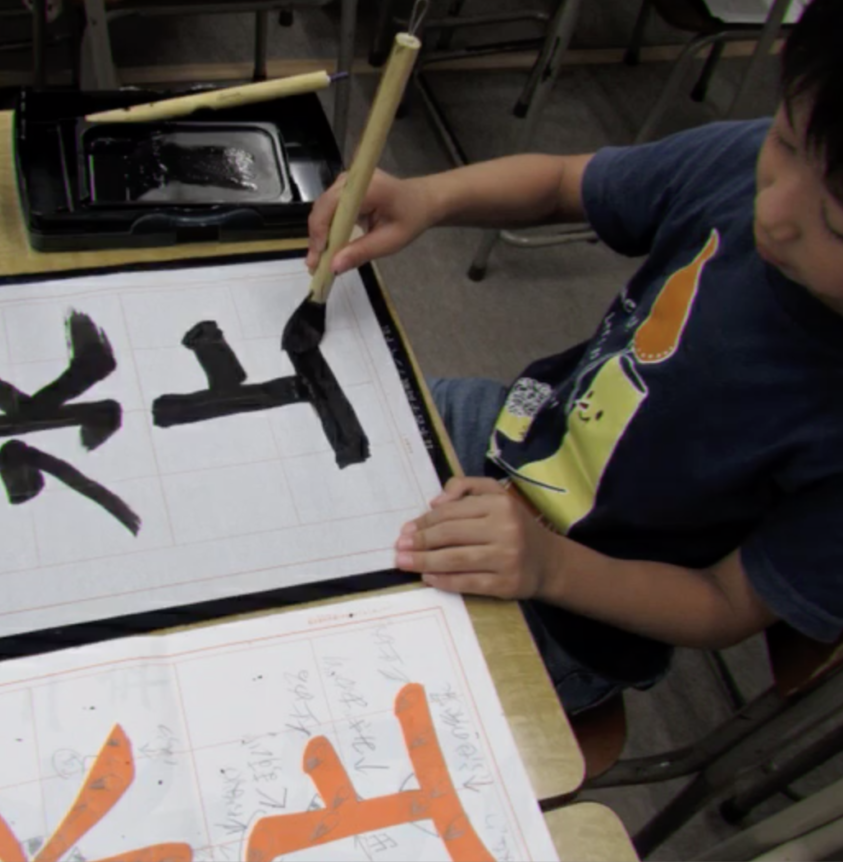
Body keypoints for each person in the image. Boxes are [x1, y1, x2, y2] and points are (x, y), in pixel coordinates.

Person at [305, 0, 843, 714]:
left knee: (335, 679)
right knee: (291, 448)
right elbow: (564, 182)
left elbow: (723, 604)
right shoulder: (748, 164)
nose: (773, 210)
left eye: (834, 222)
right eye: (784, 140)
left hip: (584, 600)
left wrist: (549, 567)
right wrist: (427, 196)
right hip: (515, 431)